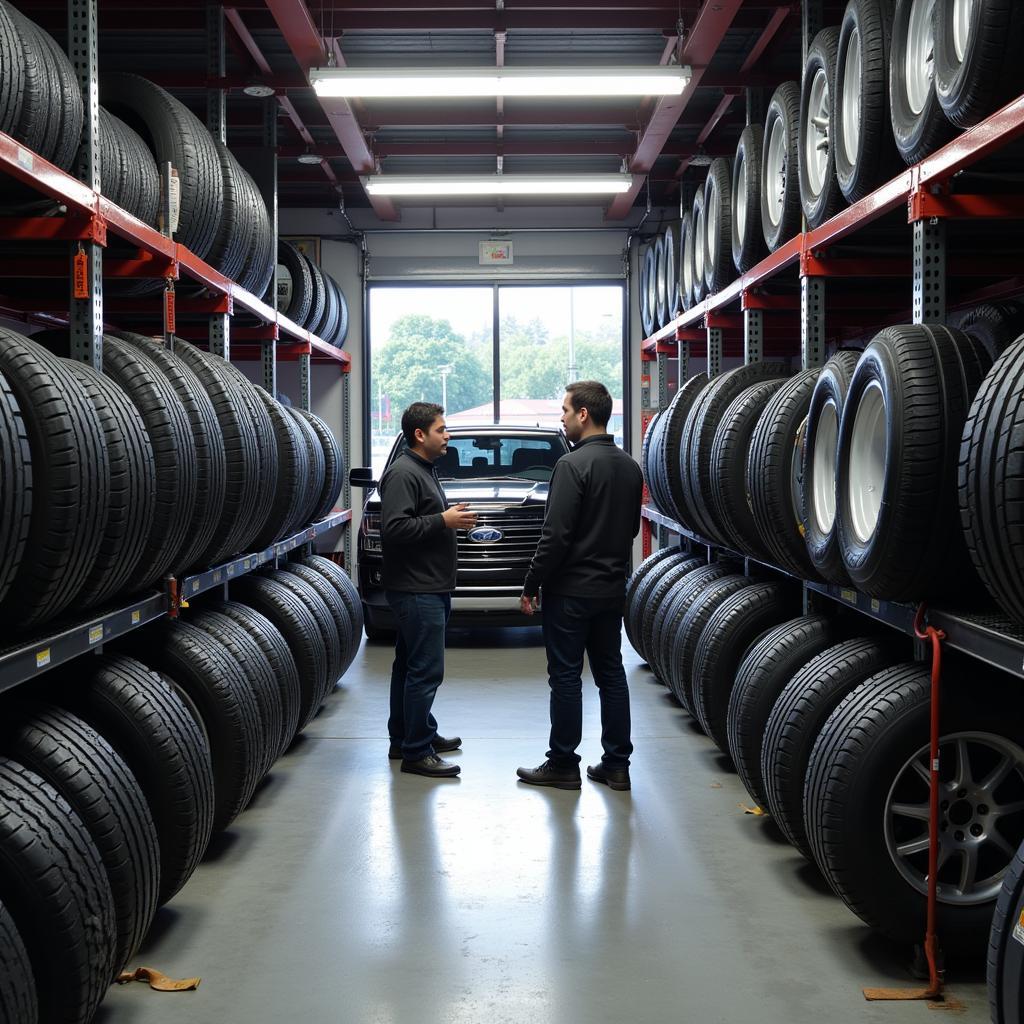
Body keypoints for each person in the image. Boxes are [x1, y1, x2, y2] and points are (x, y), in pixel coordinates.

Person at [516, 381, 644, 792]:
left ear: (584, 414)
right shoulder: (629, 467)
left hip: (570, 593)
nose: (562, 418)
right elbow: (627, 531)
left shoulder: (571, 466)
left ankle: (563, 764)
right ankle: (617, 765)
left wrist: (532, 583)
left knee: (566, 676)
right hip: (610, 589)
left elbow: (555, 536)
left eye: (566, 411)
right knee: (611, 673)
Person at [380, 402, 477, 778]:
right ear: (420, 435)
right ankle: (417, 753)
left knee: (408, 666)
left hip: (427, 585)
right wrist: (443, 520)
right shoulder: (403, 474)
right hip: (416, 588)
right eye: (441, 429)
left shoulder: (421, 469)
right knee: (425, 670)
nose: (447, 436)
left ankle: (407, 737)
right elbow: (396, 529)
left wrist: (445, 517)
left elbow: (417, 520)